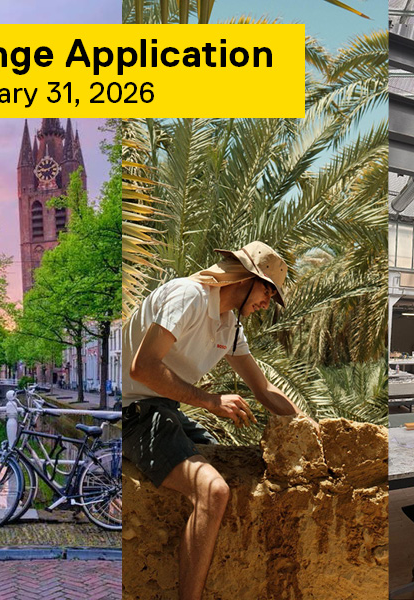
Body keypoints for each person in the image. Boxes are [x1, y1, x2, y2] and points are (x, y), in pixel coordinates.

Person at [121, 241, 300, 600]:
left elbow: (263, 389)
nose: (267, 303)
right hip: (134, 414)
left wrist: (310, 428)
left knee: (226, 461)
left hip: (167, 413)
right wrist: (210, 400)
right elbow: (142, 369)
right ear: (247, 277)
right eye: (268, 290)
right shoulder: (189, 296)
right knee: (214, 491)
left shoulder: (228, 325)